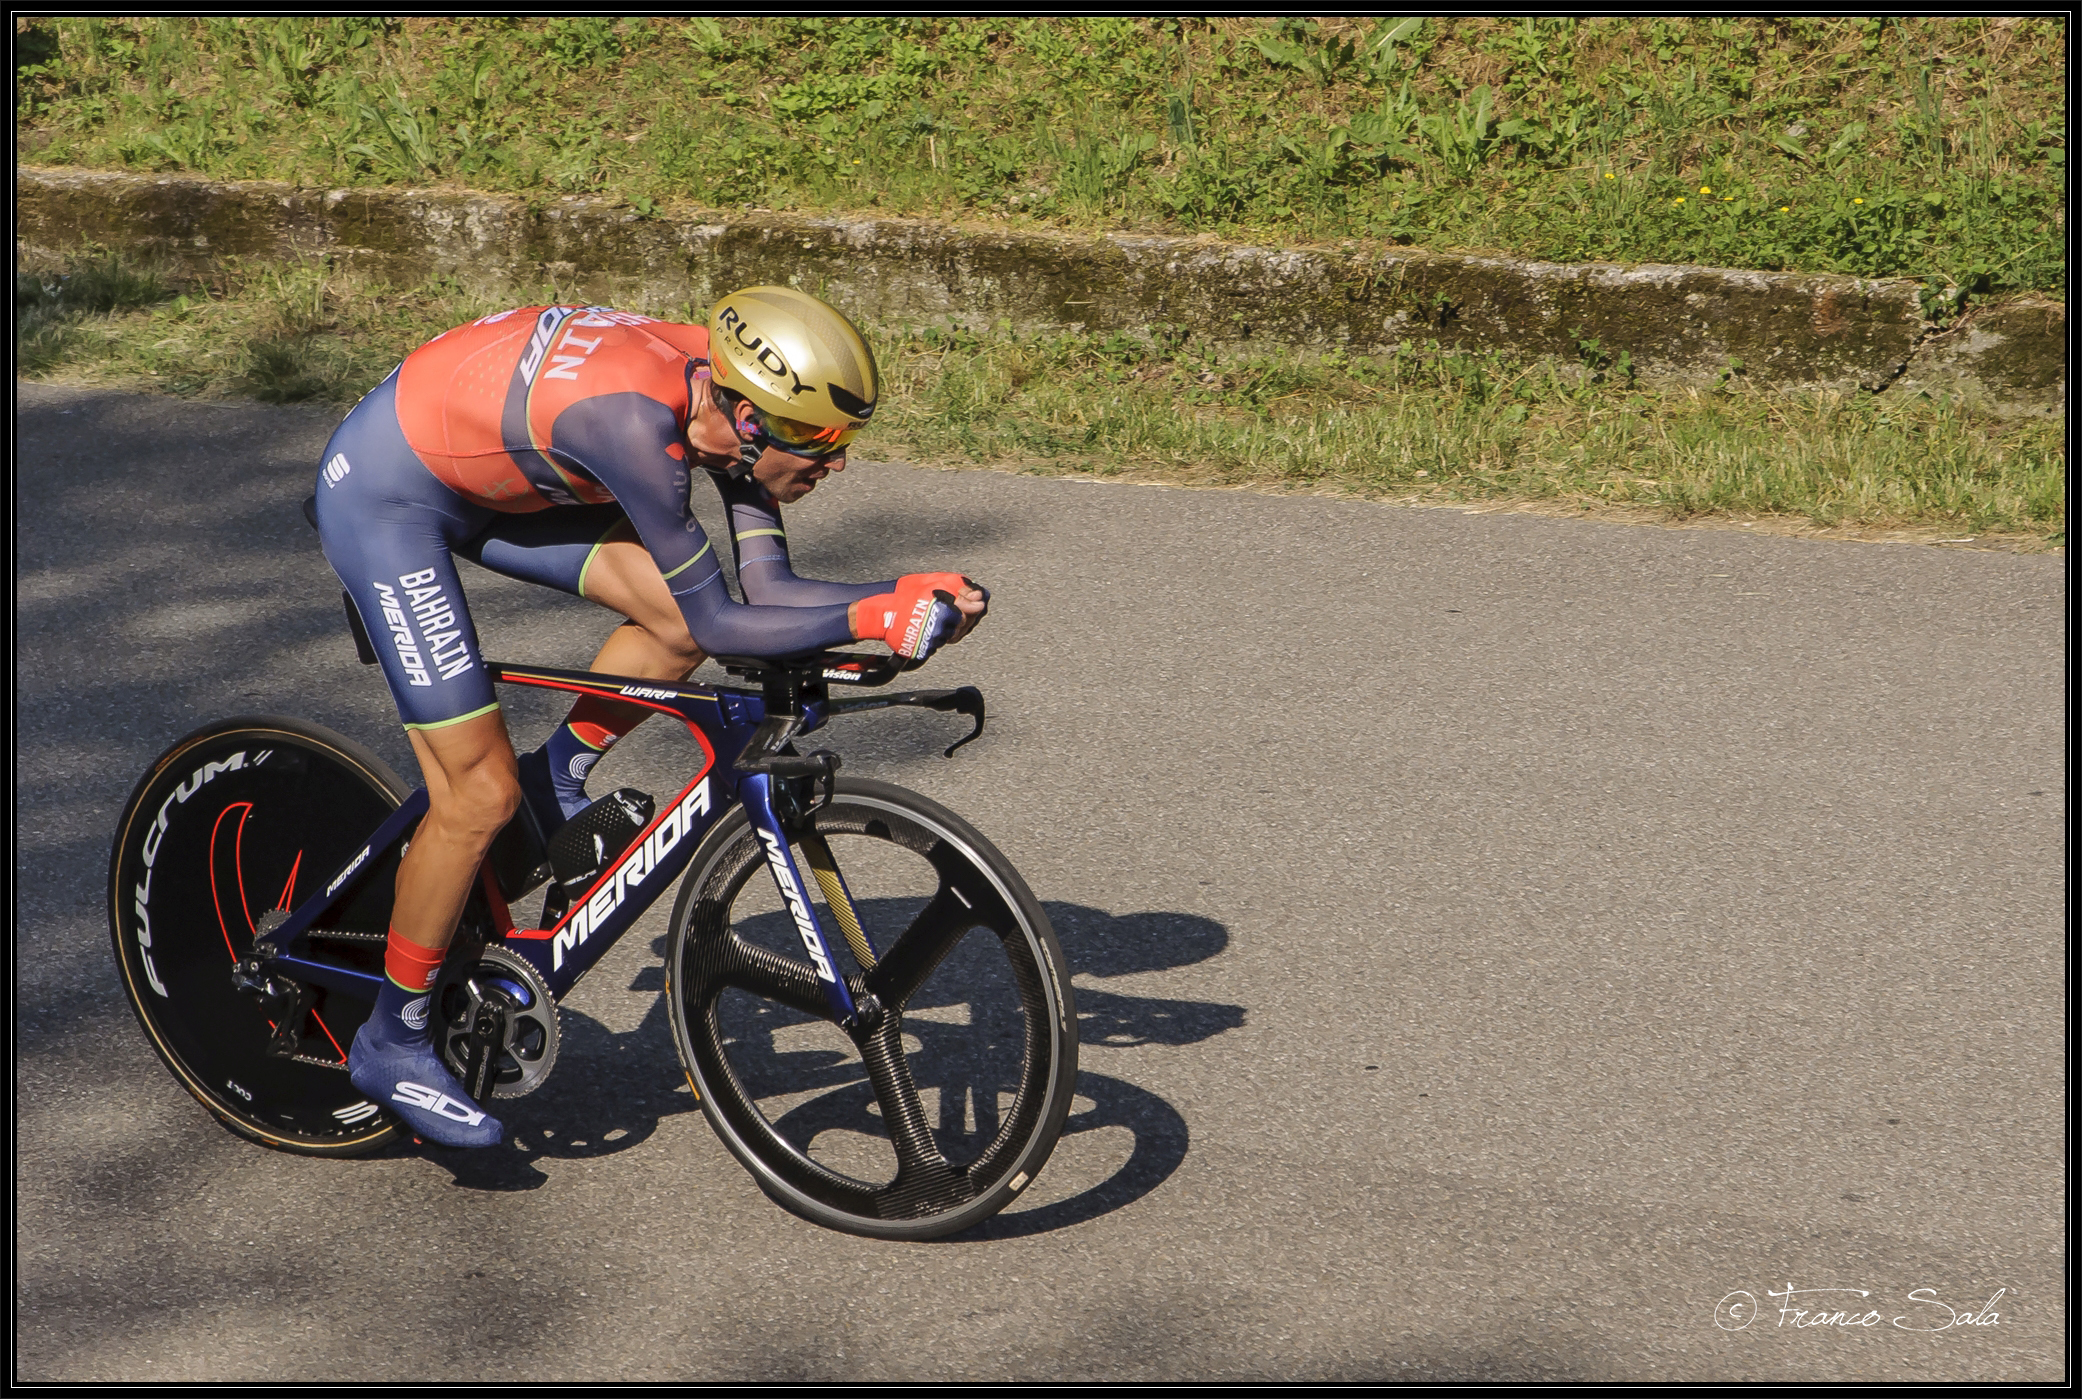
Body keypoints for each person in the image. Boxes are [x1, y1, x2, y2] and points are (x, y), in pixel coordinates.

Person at [311, 287, 988, 1147]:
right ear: (750, 419)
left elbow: (768, 592)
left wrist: (903, 594)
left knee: (669, 626)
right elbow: (725, 622)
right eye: (820, 441)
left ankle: (553, 782)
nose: (839, 462)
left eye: (843, 440)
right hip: (389, 495)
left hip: (493, 469)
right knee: (475, 794)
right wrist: (873, 614)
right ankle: (392, 1038)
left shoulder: (728, 408)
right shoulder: (637, 428)